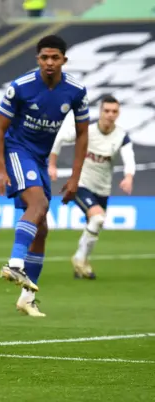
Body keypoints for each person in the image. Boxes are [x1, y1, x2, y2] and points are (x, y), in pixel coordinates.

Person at [0, 35, 89, 317]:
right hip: (17, 151)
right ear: (38, 59)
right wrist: (1, 170)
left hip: (40, 159)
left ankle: (26, 298)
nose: (49, 62)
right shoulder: (20, 88)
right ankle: (13, 263)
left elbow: (83, 134)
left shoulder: (75, 91)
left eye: (55, 58)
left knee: (42, 230)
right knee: (39, 205)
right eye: (44, 57)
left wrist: (74, 178)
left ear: (63, 60)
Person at [48, 95, 135, 279]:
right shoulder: (86, 131)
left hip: (103, 189)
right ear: (100, 112)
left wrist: (128, 177)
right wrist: (52, 164)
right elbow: (60, 137)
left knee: (94, 225)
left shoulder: (121, 136)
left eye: (114, 111)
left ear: (118, 114)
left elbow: (129, 159)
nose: (110, 115)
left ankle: (82, 265)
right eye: (107, 111)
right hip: (81, 184)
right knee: (97, 219)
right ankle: (79, 259)